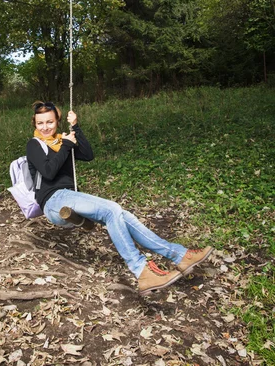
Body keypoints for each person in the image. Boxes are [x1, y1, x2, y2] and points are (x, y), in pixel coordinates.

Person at [26, 101, 213, 295]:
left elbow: (88, 155)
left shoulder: (61, 141)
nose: (45, 127)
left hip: (70, 196)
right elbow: (48, 172)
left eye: (49, 122)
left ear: (57, 121)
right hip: (54, 201)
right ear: (35, 124)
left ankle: (179, 255)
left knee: (123, 215)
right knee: (112, 209)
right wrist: (66, 145)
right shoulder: (35, 144)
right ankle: (141, 271)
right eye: (40, 123)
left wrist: (76, 128)